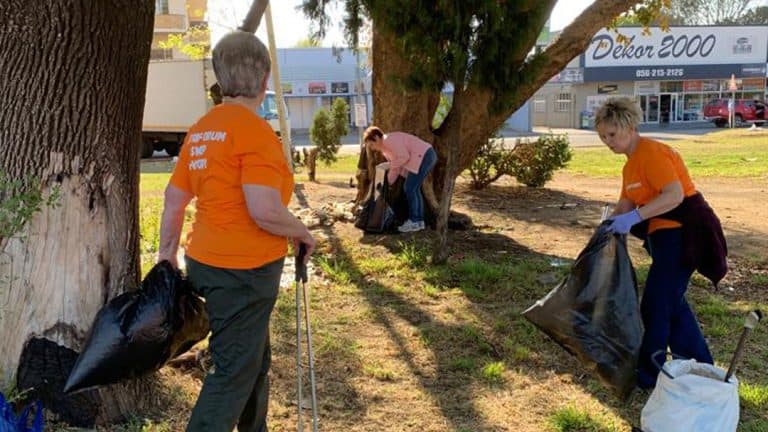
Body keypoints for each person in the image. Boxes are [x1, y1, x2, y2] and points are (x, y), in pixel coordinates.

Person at [157, 31, 316, 432]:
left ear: (221, 78)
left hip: (206, 263)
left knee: (252, 360)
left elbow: (175, 200)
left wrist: (167, 257)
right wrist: (302, 232)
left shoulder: (201, 131)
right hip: (243, 271)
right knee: (233, 372)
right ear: (264, 80)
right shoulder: (255, 133)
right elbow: (263, 209)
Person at [595, 96, 727, 389]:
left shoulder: (652, 153)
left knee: (656, 305)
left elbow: (674, 195)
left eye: (612, 134)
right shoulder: (629, 167)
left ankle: (648, 375)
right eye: (603, 136)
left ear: (629, 127)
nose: (608, 141)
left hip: (684, 234)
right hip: (661, 238)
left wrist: (633, 219)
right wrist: (608, 225)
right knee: (671, 303)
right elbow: (624, 205)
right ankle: (700, 367)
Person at [362, 126, 437, 233]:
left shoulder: (389, 140)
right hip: (426, 156)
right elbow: (396, 168)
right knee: (414, 189)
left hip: (425, 156)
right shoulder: (385, 150)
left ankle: (414, 221)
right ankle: (419, 222)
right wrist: (387, 185)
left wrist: (389, 165)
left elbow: (404, 157)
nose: (372, 148)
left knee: (410, 188)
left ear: (376, 137)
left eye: (372, 144)